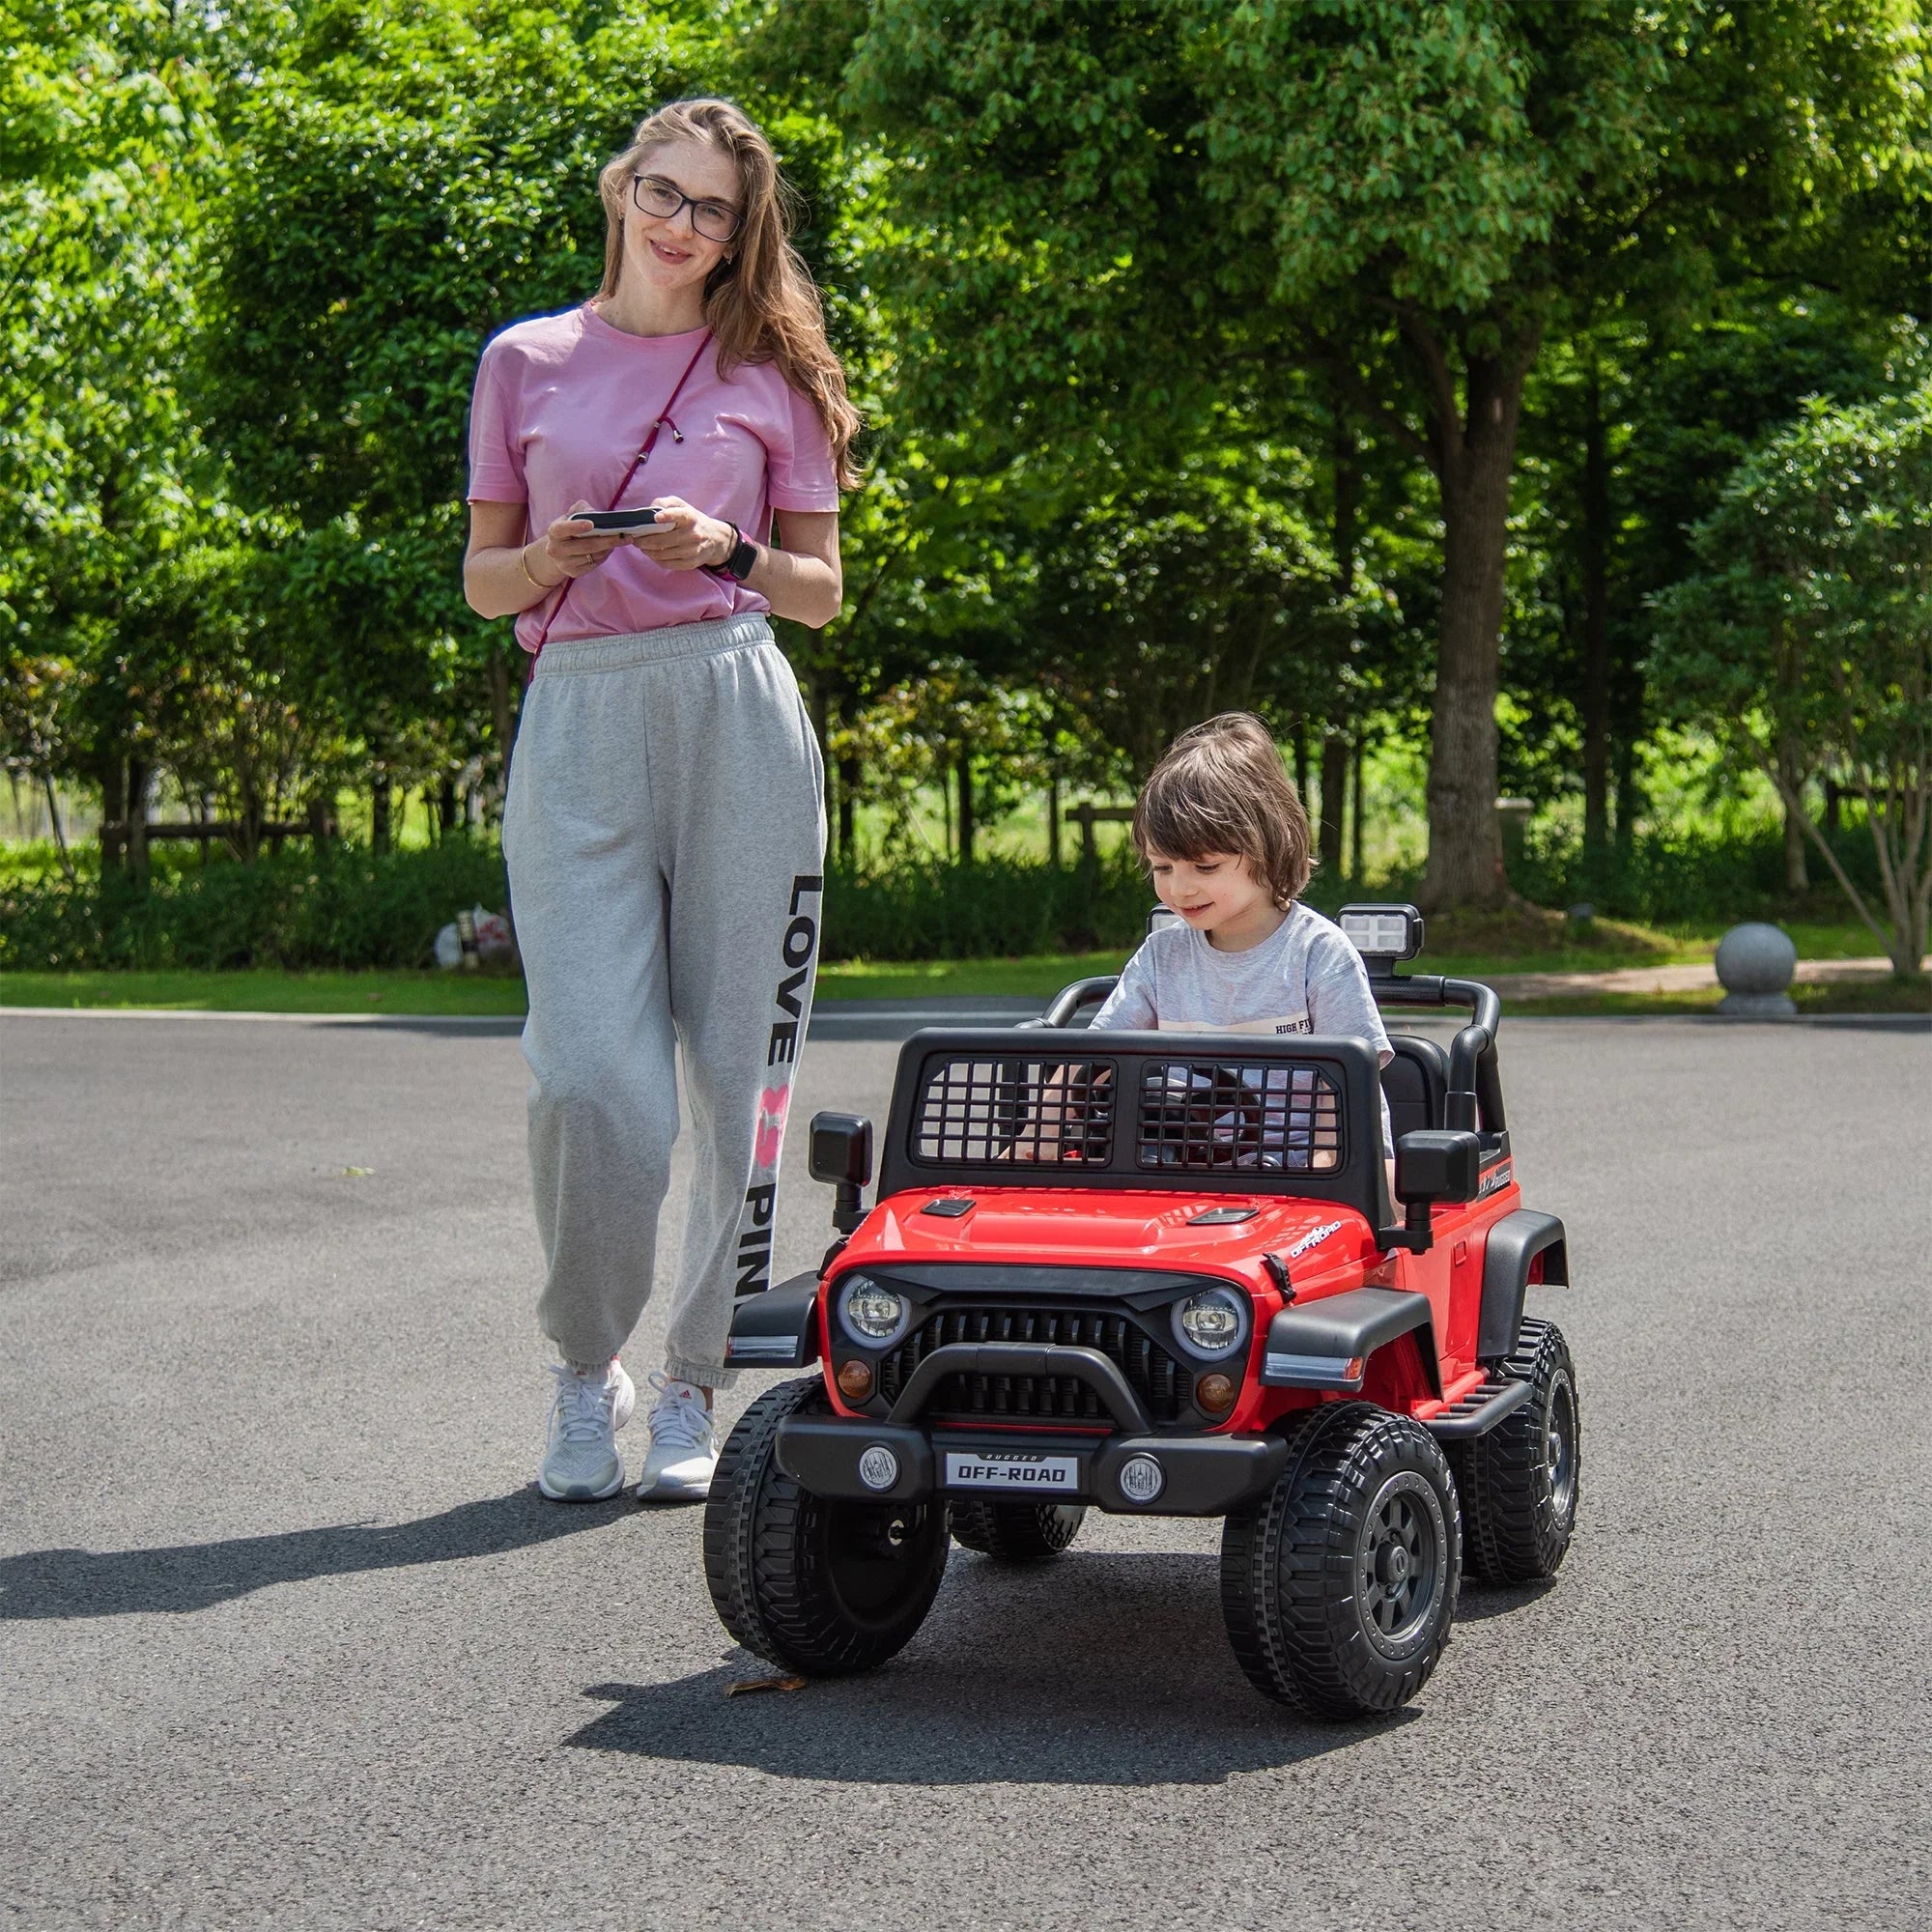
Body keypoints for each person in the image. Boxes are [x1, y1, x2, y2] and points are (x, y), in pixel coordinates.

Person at [462, 98, 856, 1503]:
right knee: (589, 1082)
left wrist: (729, 546)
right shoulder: (527, 362)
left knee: (743, 1082)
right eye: (663, 192)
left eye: (714, 211)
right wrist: (554, 559)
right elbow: (483, 578)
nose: (681, 226)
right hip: (577, 717)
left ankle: (695, 1376)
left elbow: (822, 592)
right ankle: (587, 1367)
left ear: (743, 236)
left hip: (736, 707)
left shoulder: (773, 375)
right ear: (621, 186)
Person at [1089, 714, 1394, 1161]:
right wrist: (1029, 1143)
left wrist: (1330, 1171)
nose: (1179, 888)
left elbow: (1349, 1086)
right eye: (1162, 868)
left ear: (1268, 846)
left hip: (1302, 1168)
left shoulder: (1318, 953)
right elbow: (1091, 1060)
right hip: (1181, 1162)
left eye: (1205, 867)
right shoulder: (1161, 956)